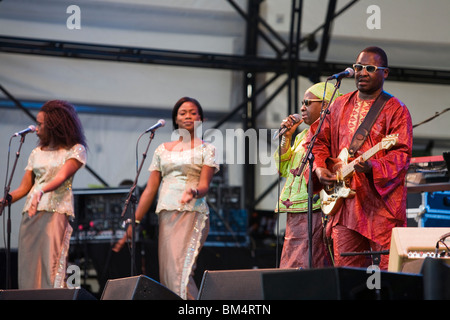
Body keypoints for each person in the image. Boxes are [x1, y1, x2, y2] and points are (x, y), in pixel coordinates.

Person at [312, 47, 413, 270]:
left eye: (370, 68)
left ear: (385, 73)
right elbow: (318, 141)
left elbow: (402, 154)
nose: (362, 73)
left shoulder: (396, 109)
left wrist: (372, 166)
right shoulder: (338, 105)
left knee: (389, 269)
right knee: (347, 270)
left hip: (380, 205)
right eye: (358, 67)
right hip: (345, 204)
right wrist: (320, 169)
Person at [114, 97, 219, 300]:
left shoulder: (207, 149)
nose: (188, 116)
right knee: (169, 275)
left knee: (181, 272)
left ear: (201, 118)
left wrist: (194, 192)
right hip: (166, 215)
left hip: (191, 213)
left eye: (193, 112)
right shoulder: (162, 149)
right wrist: (133, 222)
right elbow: (150, 190)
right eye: (183, 112)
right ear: (176, 119)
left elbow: (205, 185)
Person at [1, 100, 87, 289]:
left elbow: (62, 177)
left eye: (40, 124)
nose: (36, 127)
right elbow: (24, 188)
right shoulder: (36, 152)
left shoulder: (75, 150)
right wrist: (4, 201)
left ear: (55, 125)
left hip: (55, 213)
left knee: (52, 266)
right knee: (28, 268)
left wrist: (41, 190)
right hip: (30, 216)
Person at [274, 82, 340, 269]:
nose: (302, 107)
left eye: (308, 102)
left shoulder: (333, 133)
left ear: (326, 105)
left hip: (317, 208)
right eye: (302, 103)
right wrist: (287, 136)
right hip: (296, 209)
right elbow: (283, 169)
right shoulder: (304, 135)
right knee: (293, 264)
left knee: (307, 264)